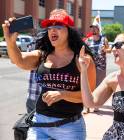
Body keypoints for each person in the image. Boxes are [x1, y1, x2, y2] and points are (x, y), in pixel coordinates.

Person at [2, 9, 96, 140]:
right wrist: (10, 41)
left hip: (69, 128)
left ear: (69, 30)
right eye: (50, 27)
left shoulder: (82, 59)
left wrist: (63, 94)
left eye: (58, 26)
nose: (52, 30)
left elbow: (89, 97)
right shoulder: (42, 55)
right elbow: (19, 60)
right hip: (39, 125)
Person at [83, 23, 110, 113]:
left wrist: (106, 49)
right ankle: (86, 106)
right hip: (90, 66)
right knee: (89, 85)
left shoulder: (103, 39)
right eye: (92, 28)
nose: (93, 30)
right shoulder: (87, 40)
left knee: (98, 86)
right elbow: (84, 51)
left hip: (101, 66)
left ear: (98, 29)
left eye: (95, 28)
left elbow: (109, 49)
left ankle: (96, 105)